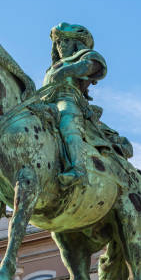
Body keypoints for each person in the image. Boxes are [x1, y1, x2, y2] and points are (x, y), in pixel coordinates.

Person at [43, 22, 107, 187]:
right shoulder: (51, 68)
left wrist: (66, 71)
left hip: (69, 100)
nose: (60, 46)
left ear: (76, 43)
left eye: (64, 41)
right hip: (46, 103)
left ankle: (78, 169)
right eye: (57, 42)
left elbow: (94, 66)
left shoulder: (85, 56)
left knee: (67, 120)